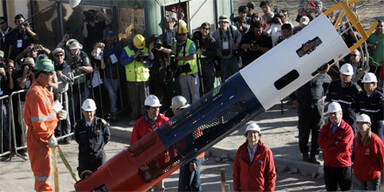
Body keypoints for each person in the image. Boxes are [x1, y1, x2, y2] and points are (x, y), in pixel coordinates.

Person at [24, 58, 66, 191]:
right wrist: (48, 136)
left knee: (45, 176)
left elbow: (46, 114)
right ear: (40, 74)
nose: (52, 76)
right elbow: (38, 123)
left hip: (43, 140)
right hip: (39, 141)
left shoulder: (44, 90)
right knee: (44, 179)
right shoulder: (36, 93)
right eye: (49, 73)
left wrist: (57, 115)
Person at [293, 64, 331, 164]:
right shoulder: (300, 73)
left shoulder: (322, 74)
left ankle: (314, 155)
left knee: (317, 132)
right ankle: (305, 153)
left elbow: (328, 84)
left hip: (318, 107)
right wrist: (293, 99)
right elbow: (289, 86)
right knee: (303, 133)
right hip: (304, 107)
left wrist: (324, 96)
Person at [130, 95, 169, 191]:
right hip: (146, 164)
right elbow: (134, 145)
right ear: (147, 109)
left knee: (160, 188)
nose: (156, 110)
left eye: (158, 108)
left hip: (160, 162)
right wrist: (140, 163)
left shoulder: (165, 121)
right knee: (147, 188)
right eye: (153, 108)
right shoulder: (139, 124)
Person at [318, 102, 354, 191]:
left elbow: (344, 146)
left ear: (341, 114)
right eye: (331, 114)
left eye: (335, 113)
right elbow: (320, 142)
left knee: (345, 189)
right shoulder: (326, 127)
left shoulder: (348, 129)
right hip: (329, 164)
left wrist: (328, 145)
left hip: (343, 165)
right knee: (330, 189)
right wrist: (336, 143)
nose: (333, 116)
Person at [170, 96, 204, 191]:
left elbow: (193, 143)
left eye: (174, 109)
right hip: (190, 156)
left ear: (179, 110)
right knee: (194, 184)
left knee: (186, 185)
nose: (173, 111)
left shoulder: (187, 122)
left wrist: (193, 161)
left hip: (191, 157)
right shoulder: (184, 119)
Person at [233, 123, 276, 191]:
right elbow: (236, 172)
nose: (252, 135)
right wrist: (236, 189)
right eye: (250, 132)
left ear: (259, 136)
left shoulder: (266, 152)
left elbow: (271, 175)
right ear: (246, 136)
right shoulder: (241, 150)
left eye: (255, 132)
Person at [74, 98, 110, 179]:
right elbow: (77, 139)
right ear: (82, 111)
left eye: (91, 111)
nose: (89, 114)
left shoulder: (101, 124)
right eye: (86, 111)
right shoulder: (78, 125)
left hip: (99, 157)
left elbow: (107, 137)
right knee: (85, 182)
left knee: (103, 179)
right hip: (85, 158)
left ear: (94, 111)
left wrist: (98, 147)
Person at [120, 34, 151, 120]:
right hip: (132, 80)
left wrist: (145, 62)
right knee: (134, 100)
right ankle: (135, 118)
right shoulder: (126, 50)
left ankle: (145, 118)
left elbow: (151, 63)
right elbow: (122, 62)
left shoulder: (145, 49)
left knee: (145, 100)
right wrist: (133, 57)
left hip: (143, 79)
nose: (139, 49)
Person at [326, 63, 361, 133]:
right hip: (334, 119)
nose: (344, 77)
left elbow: (359, 106)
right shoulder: (333, 85)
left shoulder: (355, 89)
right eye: (343, 75)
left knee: (349, 139)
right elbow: (329, 99)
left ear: (351, 76)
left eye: (347, 75)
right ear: (340, 74)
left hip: (349, 119)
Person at [353, 114, 384, 191]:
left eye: (362, 123)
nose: (360, 125)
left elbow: (382, 159)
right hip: (360, 176)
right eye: (358, 123)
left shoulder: (376, 140)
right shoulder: (356, 140)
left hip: (372, 177)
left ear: (368, 125)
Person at [52, 47, 73, 144]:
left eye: (61, 55)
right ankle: (58, 134)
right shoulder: (52, 66)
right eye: (57, 55)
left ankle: (67, 135)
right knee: (56, 115)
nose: (59, 57)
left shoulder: (66, 67)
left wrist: (61, 75)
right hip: (55, 95)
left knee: (65, 114)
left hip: (63, 93)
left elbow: (71, 80)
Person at [174, 25, 200, 103]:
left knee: (195, 94)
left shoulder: (191, 43)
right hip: (182, 73)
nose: (182, 36)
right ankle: (187, 113)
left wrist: (180, 58)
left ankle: (196, 111)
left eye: (184, 34)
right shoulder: (176, 44)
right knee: (185, 95)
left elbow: (193, 56)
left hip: (191, 73)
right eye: (180, 35)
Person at [148, 35, 174, 111]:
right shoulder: (153, 49)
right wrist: (150, 49)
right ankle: (162, 111)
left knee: (169, 93)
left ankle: (171, 111)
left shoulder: (164, 45)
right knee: (159, 95)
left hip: (167, 73)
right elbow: (151, 58)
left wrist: (162, 49)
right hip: (157, 75)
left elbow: (171, 51)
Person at [212, 15, 242, 81]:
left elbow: (240, 36)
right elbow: (212, 44)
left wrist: (237, 44)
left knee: (236, 76)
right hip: (222, 59)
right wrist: (217, 51)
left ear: (227, 23)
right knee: (224, 78)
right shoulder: (215, 33)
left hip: (233, 57)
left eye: (225, 22)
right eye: (221, 22)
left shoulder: (233, 29)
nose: (223, 24)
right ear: (219, 23)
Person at [102, 30, 122, 121]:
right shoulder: (104, 48)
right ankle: (113, 112)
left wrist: (108, 59)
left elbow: (116, 58)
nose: (109, 39)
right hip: (106, 75)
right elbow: (101, 58)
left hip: (116, 75)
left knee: (114, 94)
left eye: (111, 37)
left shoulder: (117, 47)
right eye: (108, 37)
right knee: (111, 93)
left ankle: (114, 112)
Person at [358, 73, 384, 141]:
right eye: (365, 83)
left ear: (374, 84)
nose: (366, 85)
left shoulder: (380, 97)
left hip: (376, 128)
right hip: (364, 128)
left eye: (368, 83)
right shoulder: (361, 96)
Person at [195, 22, 217, 94]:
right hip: (199, 65)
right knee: (201, 86)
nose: (205, 30)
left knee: (209, 86)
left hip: (208, 66)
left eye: (207, 29)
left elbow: (214, 54)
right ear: (200, 29)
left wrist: (203, 53)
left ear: (209, 30)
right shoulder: (197, 39)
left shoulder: (212, 40)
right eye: (203, 28)